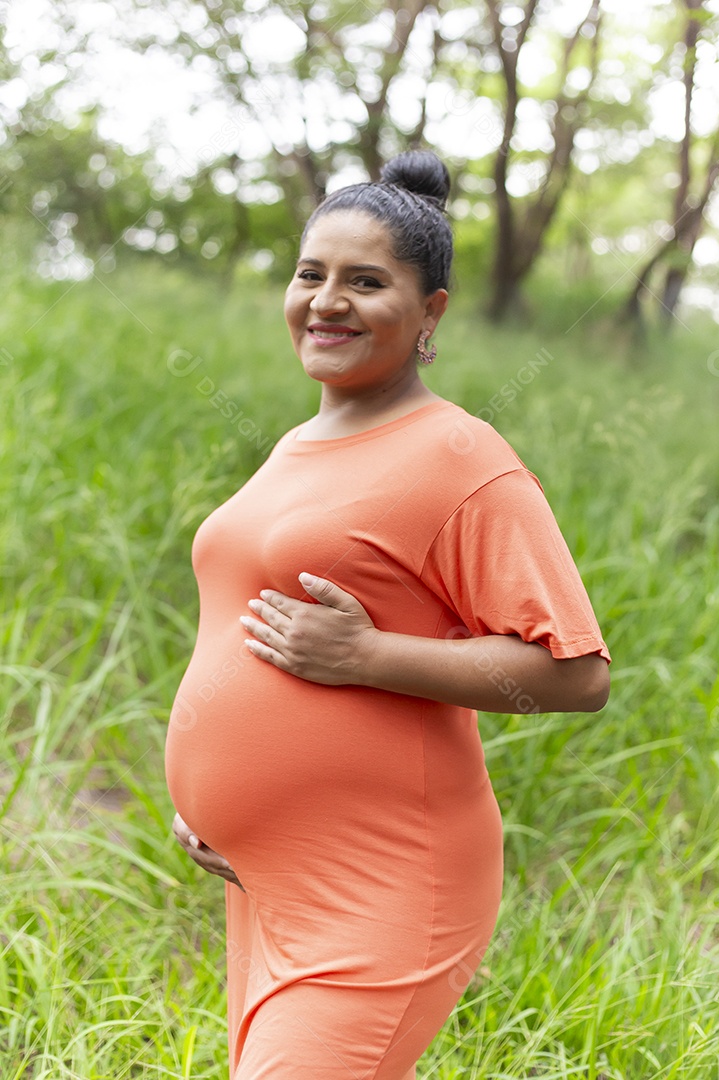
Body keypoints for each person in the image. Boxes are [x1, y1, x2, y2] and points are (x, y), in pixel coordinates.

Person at [165, 149, 611, 1080]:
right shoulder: (296, 445)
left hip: (386, 883)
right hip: (267, 882)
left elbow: (576, 676)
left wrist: (369, 656)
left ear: (430, 312)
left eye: (366, 282)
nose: (326, 301)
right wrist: (216, 802)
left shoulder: (459, 455)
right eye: (310, 274)